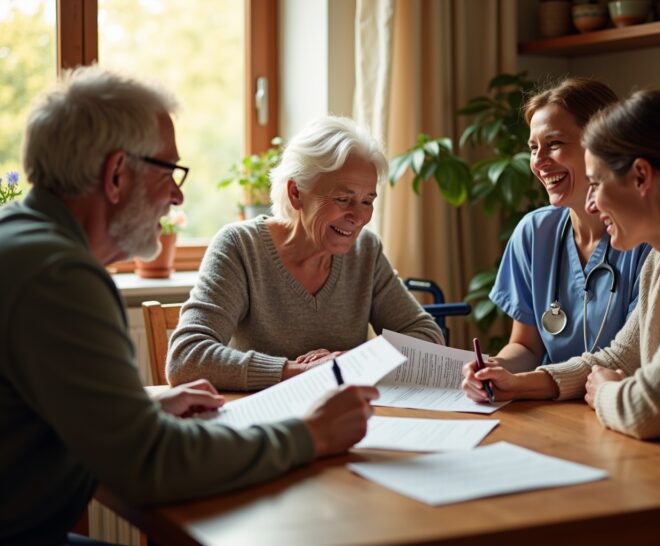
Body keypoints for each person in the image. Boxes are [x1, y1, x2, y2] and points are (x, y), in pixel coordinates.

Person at [0, 65, 378, 546]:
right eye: (169, 172)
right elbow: (151, 465)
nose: (178, 196)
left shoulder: (23, 238)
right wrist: (312, 435)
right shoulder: (59, 275)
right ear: (117, 174)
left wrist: (141, 404)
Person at [463, 90, 660, 544]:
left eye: (597, 182)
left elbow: (649, 407)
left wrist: (606, 390)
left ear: (642, 177)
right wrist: (525, 381)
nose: (589, 205)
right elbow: (614, 356)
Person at [167, 116, 443, 391]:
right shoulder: (240, 247)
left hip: (348, 422)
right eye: (343, 199)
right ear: (296, 192)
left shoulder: (365, 251)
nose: (358, 216)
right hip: (264, 425)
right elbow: (186, 359)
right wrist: (301, 372)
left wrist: (355, 361)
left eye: (367, 201)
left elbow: (428, 338)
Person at [464, 78, 650, 390]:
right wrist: (496, 367)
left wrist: (525, 385)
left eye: (554, 144)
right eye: (533, 148)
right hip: (551, 411)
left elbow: (631, 360)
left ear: (601, 145)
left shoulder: (647, 241)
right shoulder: (534, 234)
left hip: (613, 406)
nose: (537, 162)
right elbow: (526, 347)